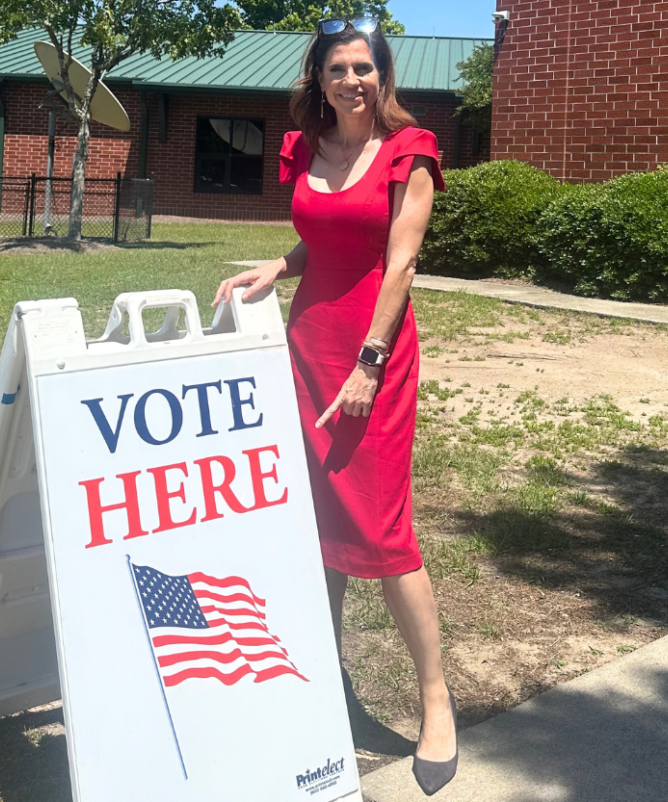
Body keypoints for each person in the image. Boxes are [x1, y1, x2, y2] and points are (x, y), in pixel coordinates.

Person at [213, 17, 456, 796]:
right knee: (314, 525)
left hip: (368, 359)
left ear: (383, 76)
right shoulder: (307, 149)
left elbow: (401, 258)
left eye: (365, 67)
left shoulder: (408, 152)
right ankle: (328, 686)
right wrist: (275, 267)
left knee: (382, 530)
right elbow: (324, 240)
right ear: (317, 77)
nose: (353, 80)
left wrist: (370, 364)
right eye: (338, 69)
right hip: (307, 349)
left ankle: (434, 700)